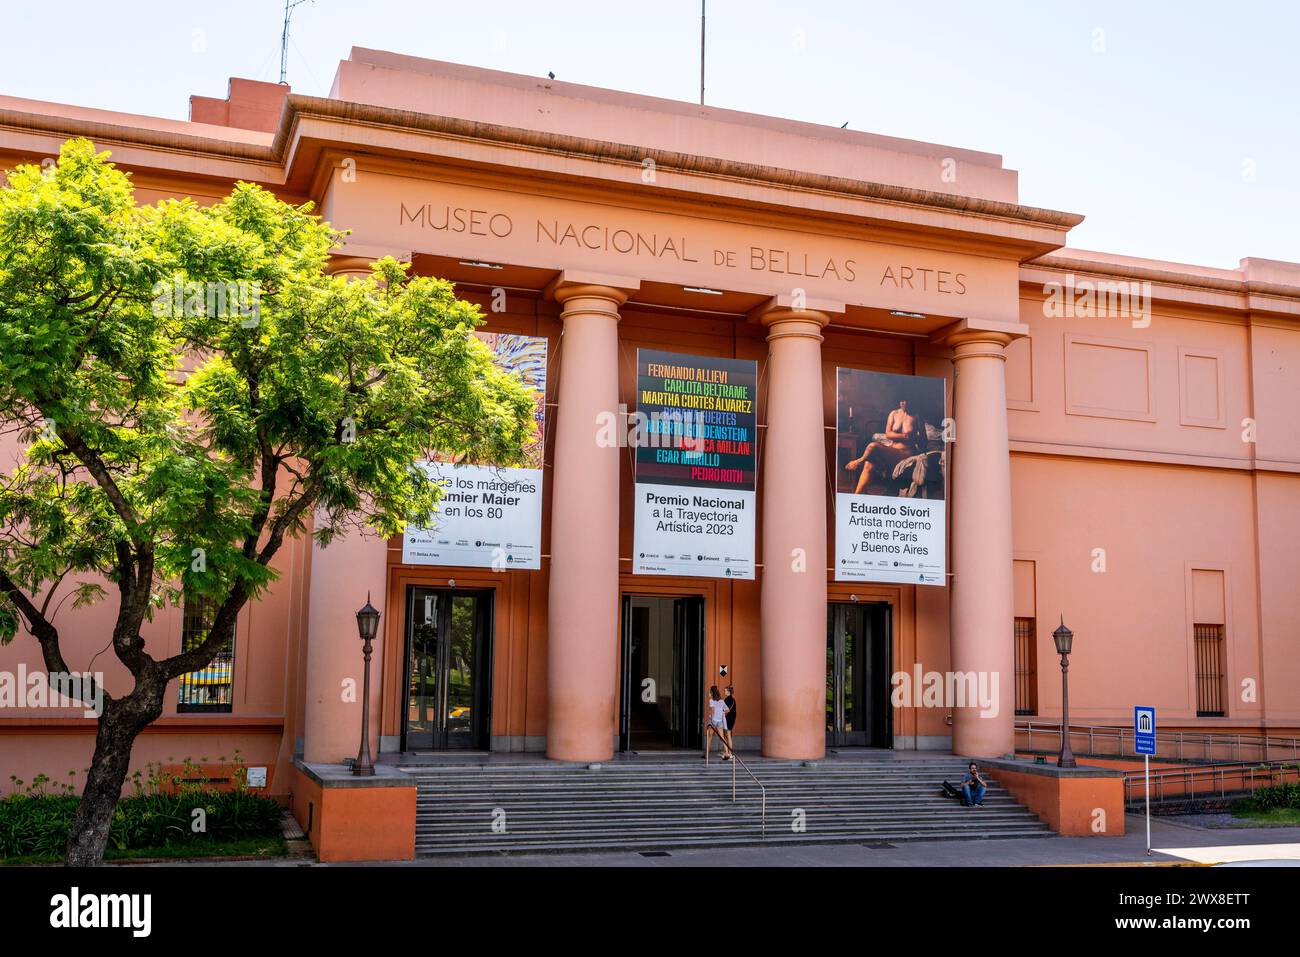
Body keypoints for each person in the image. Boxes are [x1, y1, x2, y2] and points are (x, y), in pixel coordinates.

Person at [844, 398, 925, 494]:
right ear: (899, 401)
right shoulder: (894, 414)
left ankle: (859, 461)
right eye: (902, 401)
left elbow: (924, 441)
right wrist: (905, 436)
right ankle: (856, 496)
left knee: (873, 446)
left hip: (906, 453)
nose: (904, 403)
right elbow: (888, 434)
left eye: (907, 401)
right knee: (869, 464)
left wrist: (915, 438)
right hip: (892, 450)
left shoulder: (917, 416)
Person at [704, 685, 732, 761]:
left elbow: (712, 711)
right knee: (722, 738)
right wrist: (722, 712)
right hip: (720, 721)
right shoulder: (721, 701)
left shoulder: (711, 700)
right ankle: (726, 753)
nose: (709, 693)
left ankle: (706, 754)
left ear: (712, 693)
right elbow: (727, 710)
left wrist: (712, 721)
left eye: (710, 692)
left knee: (709, 737)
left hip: (713, 721)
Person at [722, 685, 737, 757]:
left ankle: (730, 753)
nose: (724, 692)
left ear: (728, 691)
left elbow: (727, 710)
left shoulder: (731, 699)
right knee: (726, 735)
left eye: (725, 690)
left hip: (729, 719)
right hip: (726, 719)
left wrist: (722, 714)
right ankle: (726, 752)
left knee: (728, 735)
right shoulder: (727, 699)